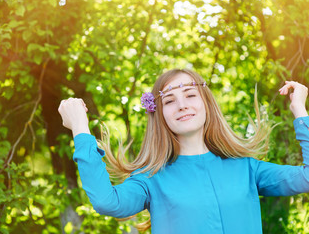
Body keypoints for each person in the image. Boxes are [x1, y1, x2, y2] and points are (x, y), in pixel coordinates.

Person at [58, 69, 309, 234]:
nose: (182, 105)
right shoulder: (151, 179)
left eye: (190, 94)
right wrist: (80, 127)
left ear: (206, 103)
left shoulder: (247, 168)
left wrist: (299, 110)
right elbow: (106, 201)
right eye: (169, 101)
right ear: (160, 115)